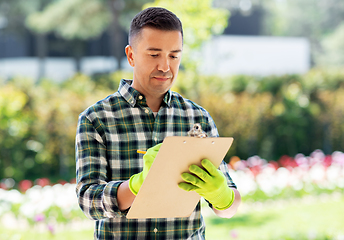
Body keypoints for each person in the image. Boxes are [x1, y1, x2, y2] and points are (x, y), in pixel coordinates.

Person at [75, 7, 241, 239]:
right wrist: (137, 185)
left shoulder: (198, 118)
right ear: (131, 55)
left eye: (174, 56)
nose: (165, 66)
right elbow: (87, 200)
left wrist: (221, 194)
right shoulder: (96, 119)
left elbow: (231, 206)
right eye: (154, 55)